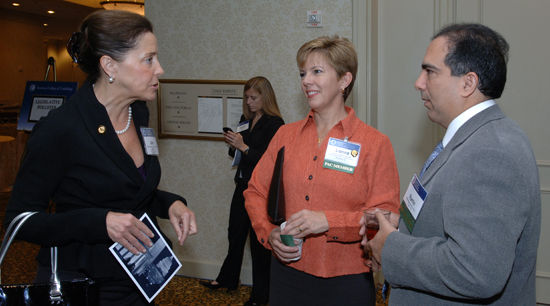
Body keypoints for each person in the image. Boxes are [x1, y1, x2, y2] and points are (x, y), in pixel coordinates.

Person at [4, 10, 197, 306]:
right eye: (149, 59)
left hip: (136, 277)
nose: (159, 69)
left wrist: (169, 202)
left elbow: (128, 187)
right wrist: (99, 222)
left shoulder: (140, 113)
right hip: (80, 284)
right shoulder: (61, 128)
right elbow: (20, 220)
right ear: (110, 66)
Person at [364, 23, 541, 305]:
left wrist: (392, 248)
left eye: (430, 72)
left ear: (468, 83)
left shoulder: (490, 151)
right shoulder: (474, 136)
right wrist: (403, 229)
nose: (418, 82)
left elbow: (475, 270)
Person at [243, 36, 401, 306]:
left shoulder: (374, 144)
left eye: (317, 72)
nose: (306, 80)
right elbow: (255, 191)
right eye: (303, 73)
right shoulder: (285, 136)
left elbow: (387, 217)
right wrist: (268, 232)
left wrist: (329, 221)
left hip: (346, 280)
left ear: (344, 80)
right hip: (286, 274)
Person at [200, 76, 284, 306]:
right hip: (242, 185)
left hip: (262, 192)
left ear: (264, 98)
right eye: (246, 97)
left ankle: (260, 296)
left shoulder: (275, 124)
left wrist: (244, 146)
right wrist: (234, 145)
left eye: (253, 98)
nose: (248, 102)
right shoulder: (244, 120)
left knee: (259, 245)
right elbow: (236, 156)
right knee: (235, 234)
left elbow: (270, 161)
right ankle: (228, 278)